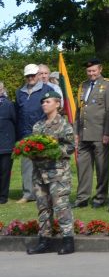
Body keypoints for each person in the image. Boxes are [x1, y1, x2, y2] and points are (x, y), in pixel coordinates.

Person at [26, 89, 76, 255]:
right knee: (43, 208)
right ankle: (44, 241)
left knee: (61, 206)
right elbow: (33, 146)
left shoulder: (63, 124)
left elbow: (70, 146)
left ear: (57, 104)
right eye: (43, 102)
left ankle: (68, 240)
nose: (44, 105)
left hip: (57, 173)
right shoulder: (38, 126)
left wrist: (53, 150)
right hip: (40, 174)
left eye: (47, 102)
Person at [73, 58, 109, 208]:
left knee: (101, 167)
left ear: (100, 69)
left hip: (99, 133)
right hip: (84, 134)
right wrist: (76, 133)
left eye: (94, 70)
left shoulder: (108, 85)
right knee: (83, 168)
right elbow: (79, 111)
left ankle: (100, 197)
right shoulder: (83, 86)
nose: (91, 73)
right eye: (89, 71)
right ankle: (82, 198)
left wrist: (108, 133)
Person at [15, 64, 54, 203]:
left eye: (33, 75)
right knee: (26, 165)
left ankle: (46, 192)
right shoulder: (19, 92)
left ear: (38, 75)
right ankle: (28, 194)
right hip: (24, 133)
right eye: (28, 76)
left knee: (44, 164)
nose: (31, 78)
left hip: (42, 132)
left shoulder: (47, 90)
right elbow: (17, 113)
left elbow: (52, 111)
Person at [0, 82, 16, 204]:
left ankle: (3, 196)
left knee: (5, 171)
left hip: (6, 143)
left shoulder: (9, 105)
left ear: (2, 90)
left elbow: (15, 121)